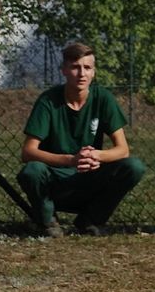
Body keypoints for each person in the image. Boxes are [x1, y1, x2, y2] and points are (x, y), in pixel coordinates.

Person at [18, 40, 147, 237]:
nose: (82, 73)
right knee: (32, 171)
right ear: (64, 70)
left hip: (89, 177)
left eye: (87, 67)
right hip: (56, 179)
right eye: (75, 67)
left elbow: (122, 149)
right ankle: (48, 219)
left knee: (134, 167)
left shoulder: (103, 98)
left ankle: (91, 219)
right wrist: (71, 159)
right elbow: (28, 152)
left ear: (94, 72)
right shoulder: (48, 101)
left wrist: (96, 156)